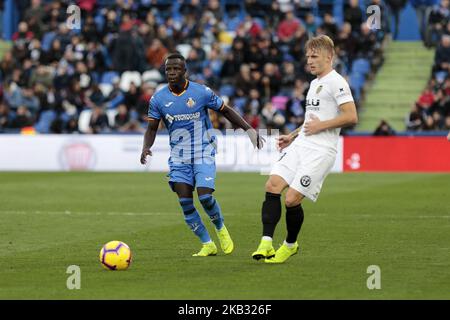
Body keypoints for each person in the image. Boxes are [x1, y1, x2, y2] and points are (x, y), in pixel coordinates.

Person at [140, 53, 264, 257]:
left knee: (205, 197)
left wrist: (249, 129)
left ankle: (220, 228)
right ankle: (207, 244)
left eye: (176, 69)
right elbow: (152, 128)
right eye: (168, 69)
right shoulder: (158, 98)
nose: (171, 73)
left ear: (184, 71)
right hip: (179, 156)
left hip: (203, 150)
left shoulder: (201, 92)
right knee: (185, 202)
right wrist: (146, 147)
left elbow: (226, 110)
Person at [251, 35, 358, 264]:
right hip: (301, 144)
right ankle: (266, 242)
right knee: (272, 185)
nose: (309, 61)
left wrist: (321, 126)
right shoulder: (314, 83)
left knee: (291, 199)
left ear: (329, 57)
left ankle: (290, 245)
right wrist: (292, 135)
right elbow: (311, 119)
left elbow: (351, 116)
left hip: (321, 151)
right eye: (307, 56)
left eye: (314, 56)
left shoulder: (336, 82)